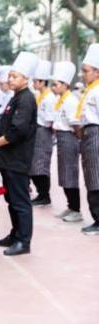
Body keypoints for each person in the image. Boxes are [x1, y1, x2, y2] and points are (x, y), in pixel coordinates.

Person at [0, 51, 39, 256]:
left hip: (17, 158)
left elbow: (17, 130)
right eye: (10, 75)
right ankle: (15, 234)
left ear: (26, 79)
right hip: (8, 159)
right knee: (11, 201)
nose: (10, 79)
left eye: (15, 76)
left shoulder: (26, 99)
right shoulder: (16, 97)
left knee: (20, 202)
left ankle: (24, 242)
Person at [50, 61, 82, 223]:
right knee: (64, 173)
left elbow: (75, 124)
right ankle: (70, 206)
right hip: (61, 138)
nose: (53, 87)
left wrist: (78, 140)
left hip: (69, 138)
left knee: (70, 173)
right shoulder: (61, 99)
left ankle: (76, 210)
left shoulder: (70, 101)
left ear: (64, 85)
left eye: (55, 84)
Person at [75, 43, 99, 235]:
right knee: (91, 177)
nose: (84, 74)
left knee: (96, 178)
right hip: (88, 135)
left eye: (86, 71)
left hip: (96, 134)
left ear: (97, 72)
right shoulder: (90, 90)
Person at [30, 60, 56, 206]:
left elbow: (49, 120)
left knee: (41, 164)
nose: (33, 84)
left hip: (43, 132)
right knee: (35, 164)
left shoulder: (49, 98)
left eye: (35, 81)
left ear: (41, 82)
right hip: (37, 131)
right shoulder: (40, 96)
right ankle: (41, 193)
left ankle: (44, 195)